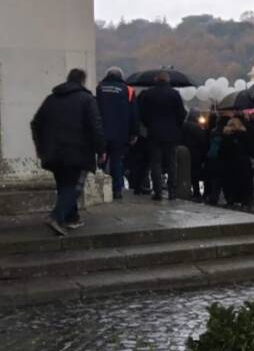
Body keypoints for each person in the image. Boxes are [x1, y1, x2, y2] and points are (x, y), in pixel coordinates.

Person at [31, 69, 106, 236]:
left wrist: (41, 147)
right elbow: (96, 127)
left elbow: (36, 123)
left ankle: (72, 218)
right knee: (74, 187)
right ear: (82, 81)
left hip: (54, 153)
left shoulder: (51, 99)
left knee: (64, 185)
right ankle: (56, 217)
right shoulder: (87, 99)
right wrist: (101, 150)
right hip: (78, 152)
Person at [137, 71, 186, 201]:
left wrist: (149, 125)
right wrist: (176, 126)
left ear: (155, 79)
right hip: (171, 133)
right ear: (168, 80)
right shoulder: (174, 94)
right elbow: (182, 113)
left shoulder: (149, 94)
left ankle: (158, 191)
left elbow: (142, 114)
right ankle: (172, 192)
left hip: (154, 133)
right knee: (171, 163)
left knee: (155, 163)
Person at [96, 67, 138, 200]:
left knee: (101, 159)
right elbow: (134, 114)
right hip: (120, 132)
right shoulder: (129, 90)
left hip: (102, 131)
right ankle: (117, 190)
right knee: (117, 161)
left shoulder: (100, 88)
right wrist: (134, 133)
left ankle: (99, 187)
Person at [220, 116, 253, 206]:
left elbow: (222, 151)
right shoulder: (244, 134)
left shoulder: (225, 136)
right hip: (243, 163)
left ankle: (230, 199)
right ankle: (244, 200)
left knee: (229, 182)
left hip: (229, 163)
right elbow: (250, 148)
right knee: (244, 182)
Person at [183, 110, 209, 199]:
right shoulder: (197, 128)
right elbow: (203, 141)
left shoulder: (183, 125)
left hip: (185, 151)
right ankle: (196, 192)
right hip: (196, 153)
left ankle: (184, 189)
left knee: (185, 172)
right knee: (195, 173)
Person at [204, 114, 227, 205]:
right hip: (220, 159)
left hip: (211, 158)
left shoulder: (212, 132)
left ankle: (211, 196)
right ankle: (215, 197)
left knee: (212, 178)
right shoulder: (225, 133)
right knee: (218, 179)